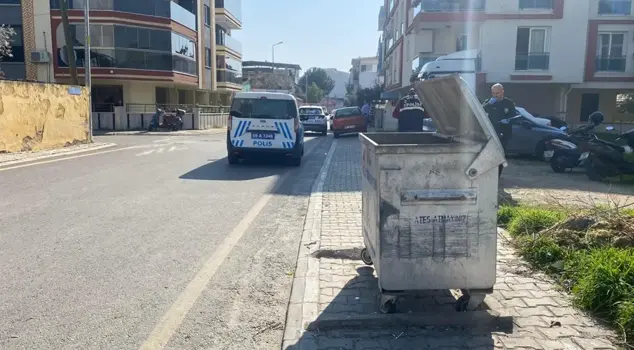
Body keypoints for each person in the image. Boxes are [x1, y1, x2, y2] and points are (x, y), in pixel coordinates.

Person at [482, 83, 516, 150]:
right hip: (491, 133)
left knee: (501, 152)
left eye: (497, 93)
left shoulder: (509, 103)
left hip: (504, 133)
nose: (495, 95)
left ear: (502, 91)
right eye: (493, 93)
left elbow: (514, 117)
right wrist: (488, 104)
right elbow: (479, 111)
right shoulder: (488, 102)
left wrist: (508, 121)